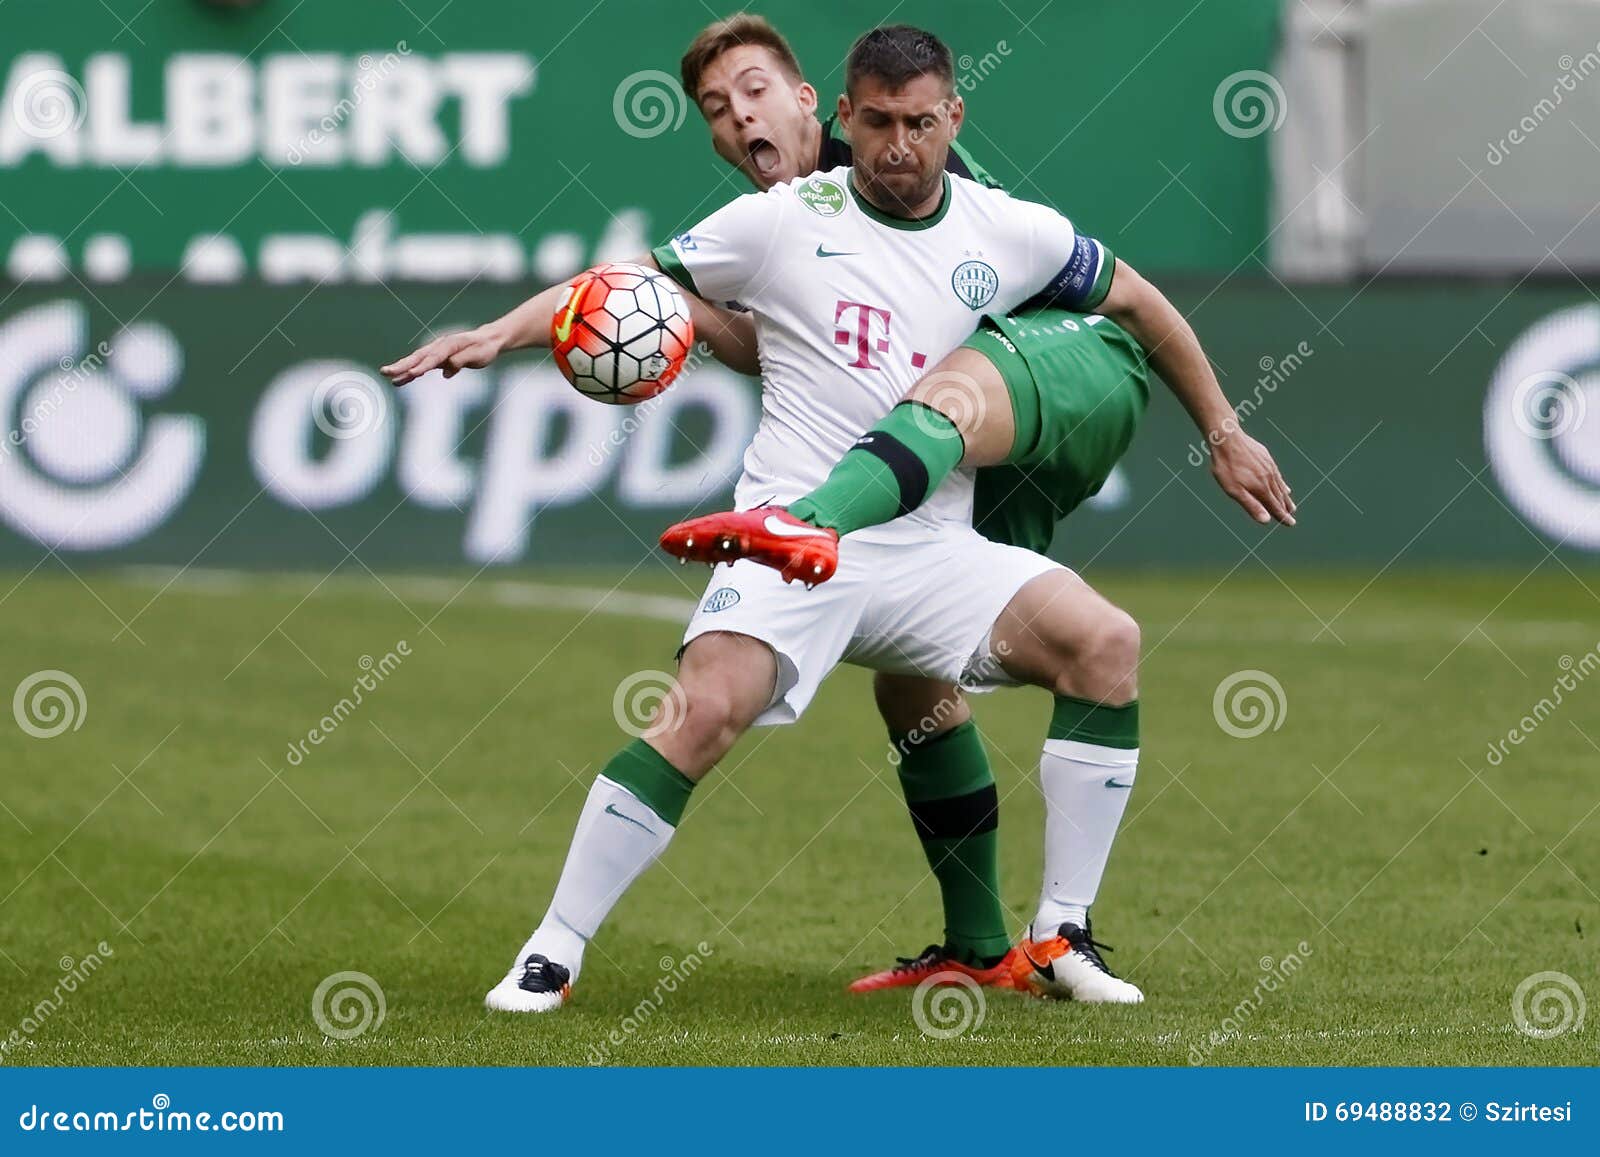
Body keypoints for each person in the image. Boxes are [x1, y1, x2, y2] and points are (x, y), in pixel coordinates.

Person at [383, 25, 1176, 1011]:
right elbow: (667, 295)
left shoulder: (940, 188)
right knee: (747, 705)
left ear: (812, 102)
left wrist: (1222, 428)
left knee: (1097, 644)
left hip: (981, 457)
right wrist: (509, 331)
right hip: (810, 520)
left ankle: (1058, 931)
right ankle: (554, 946)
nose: (739, 115)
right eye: (717, 108)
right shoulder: (772, 220)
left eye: (753, 90)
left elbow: (1085, 290)